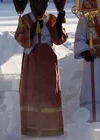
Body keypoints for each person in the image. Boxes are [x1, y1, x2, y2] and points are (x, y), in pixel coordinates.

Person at [15, 8, 67, 137]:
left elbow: (59, 40)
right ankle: (32, 126)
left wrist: (59, 25)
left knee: (49, 90)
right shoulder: (26, 19)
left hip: (48, 58)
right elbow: (19, 37)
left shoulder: (51, 19)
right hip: (32, 58)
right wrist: (32, 31)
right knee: (32, 89)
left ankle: (51, 126)